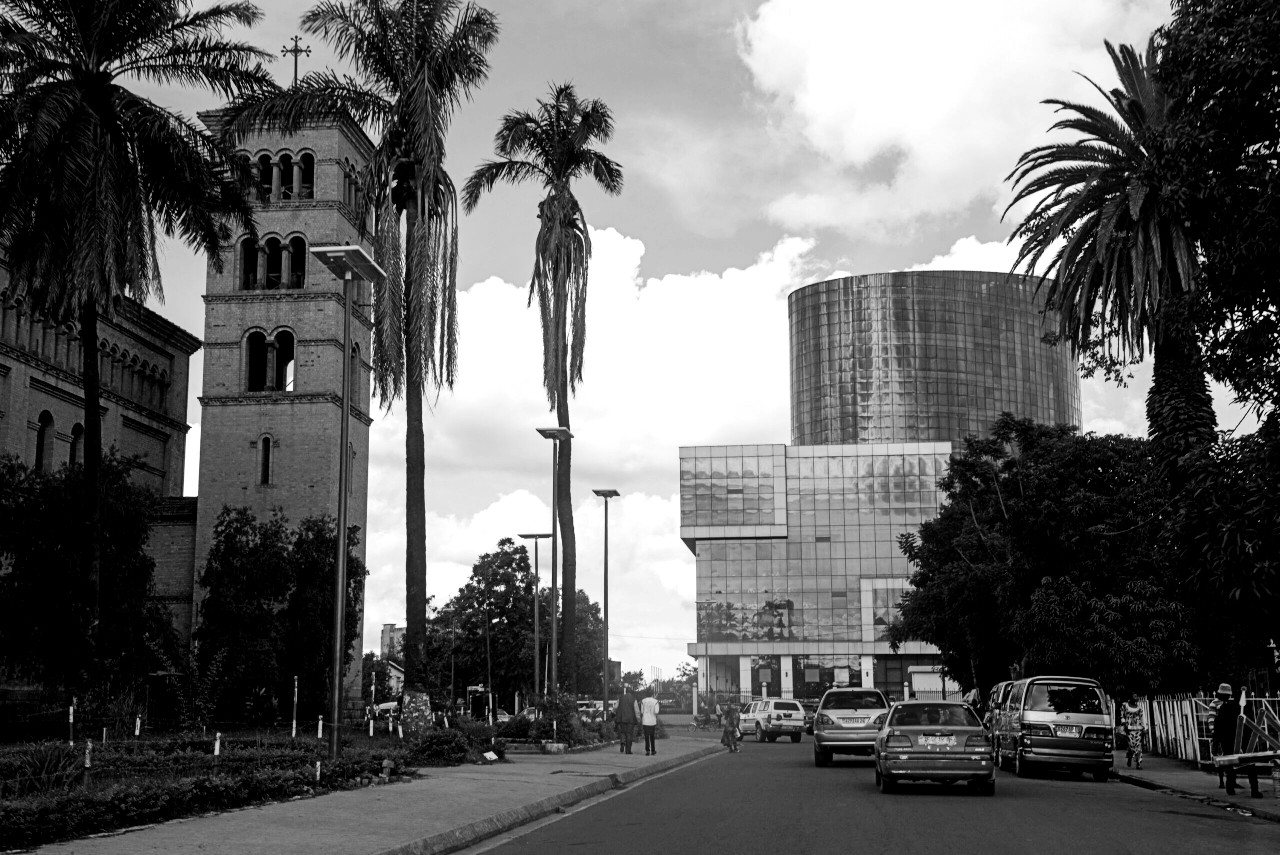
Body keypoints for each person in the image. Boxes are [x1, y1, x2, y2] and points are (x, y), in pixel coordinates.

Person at [1211, 682, 1262, 798]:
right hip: (1246, 740)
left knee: (1230, 764)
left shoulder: (1225, 707)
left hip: (1228, 740)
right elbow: (1252, 724)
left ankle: (1230, 787)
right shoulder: (1247, 707)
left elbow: (1218, 725)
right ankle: (1254, 790)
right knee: (1250, 765)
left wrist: (1216, 742)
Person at [1120, 692, 1146, 770]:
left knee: (1138, 746)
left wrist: (1144, 728)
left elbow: (1142, 718)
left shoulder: (1139, 708)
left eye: (1137, 696)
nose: (1136, 698)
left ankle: (1138, 763)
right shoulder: (1125, 705)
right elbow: (1122, 715)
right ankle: (1130, 757)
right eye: (1134, 696)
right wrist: (1124, 723)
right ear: (1130, 697)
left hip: (1138, 729)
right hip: (1129, 729)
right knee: (1131, 745)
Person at [615, 686, 640, 755]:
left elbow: (615, 707)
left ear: (626, 691)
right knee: (629, 734)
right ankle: (628, 750)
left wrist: (613, 713)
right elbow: (637, 710)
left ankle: (622, 743)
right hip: (631, 720)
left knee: (623, 732)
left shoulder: (620, 698)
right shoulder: (633, 699)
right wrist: (638, 719)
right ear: (631, 692)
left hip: (622, 718)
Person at [639, 688, 662, 756]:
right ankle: (653, 750)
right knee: (652, 736)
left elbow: (642, 711)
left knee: (646, 736)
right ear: (652, 694)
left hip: (645, 721)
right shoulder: (655, 701)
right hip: (652, 721)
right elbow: (656, 711)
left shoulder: (643, 701)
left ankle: (647, 750)